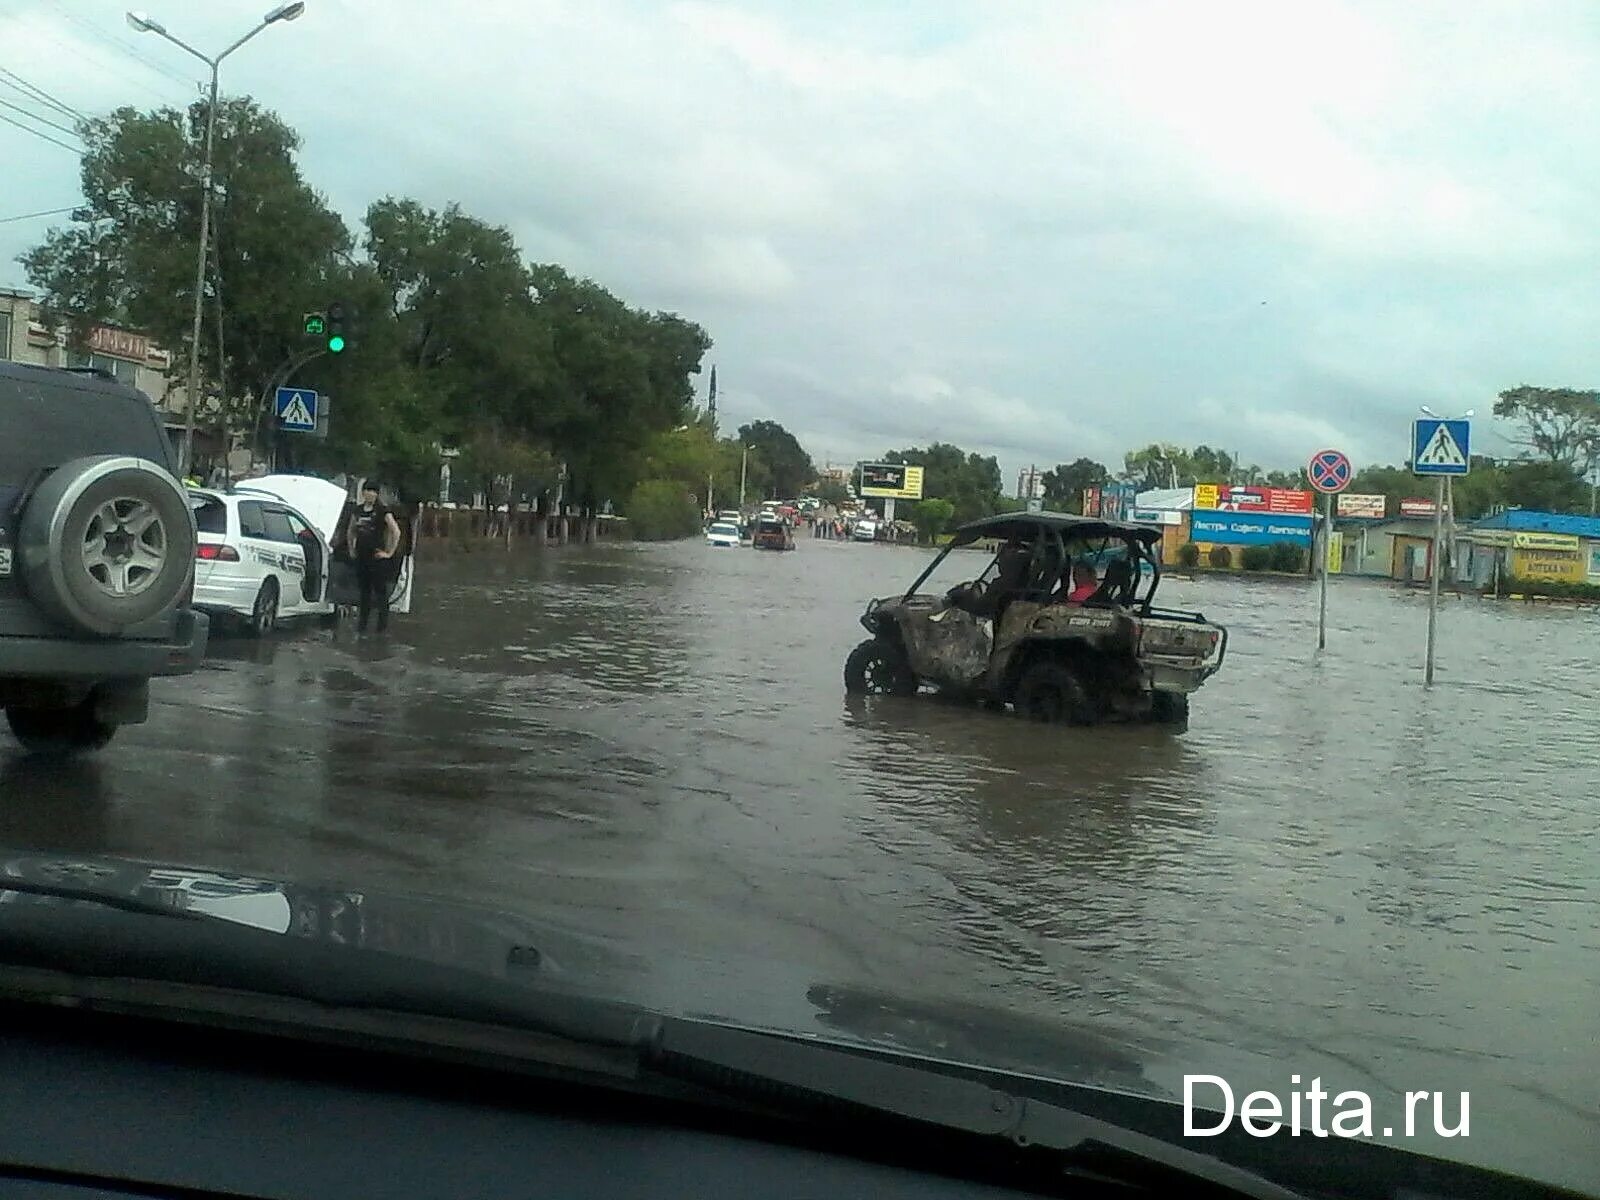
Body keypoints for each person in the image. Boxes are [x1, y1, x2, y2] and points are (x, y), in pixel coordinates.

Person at [346, 480, 402, 633]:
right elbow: (350, 530)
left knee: (380, 594)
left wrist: (389, 553)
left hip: (377, 557)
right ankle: (362, 626)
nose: (369, 494)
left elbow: (395, 532)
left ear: (377, 494)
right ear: (362, 492)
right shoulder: (357, 511)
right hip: (361, 556)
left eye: (373, 491)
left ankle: (381, 629)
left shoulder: (383, 510)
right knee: (364, 593)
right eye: (367, 490)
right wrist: (351, 548)